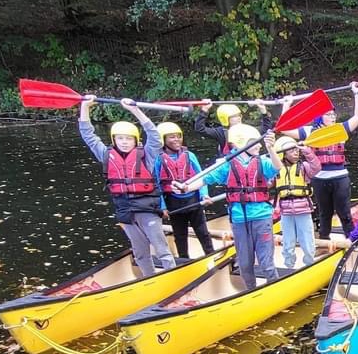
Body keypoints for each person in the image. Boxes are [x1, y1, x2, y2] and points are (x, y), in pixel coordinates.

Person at [175, 124, 282, 290]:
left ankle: (274, 289)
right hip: (239, 219)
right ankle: (251, 291)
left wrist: (271, 148)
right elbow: (205, 180)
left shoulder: (263, 161)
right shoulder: (226, 165)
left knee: (266, 262)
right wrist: (186, 188)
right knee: (245, 264)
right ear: (240, 144)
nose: (259, 146)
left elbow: (277, 167)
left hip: (262, 217)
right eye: (254, 142)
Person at [79, 97, 175, 276]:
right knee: (140, 253)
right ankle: (149, 279)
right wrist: (85, 107)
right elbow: (88, 136)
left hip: (147, 210)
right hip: (125, 211)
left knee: (161, 249)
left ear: (135, 140)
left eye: (128, 139)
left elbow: (154, 136)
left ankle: (171, 276)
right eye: (120, 138)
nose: (124, 142)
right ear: (114, 140)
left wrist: (135, 110)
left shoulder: (147, 155)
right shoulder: (106, 155)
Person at [280, 85, 358, 241]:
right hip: (320, 178)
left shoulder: (340, 129)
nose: (332, 117)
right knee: (324, 214)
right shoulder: (309, 132)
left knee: (344, 213)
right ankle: (324, 240)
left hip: (340, 178)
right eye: (328, 114)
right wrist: (287, 104)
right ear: (320, 117)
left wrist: (357, 93)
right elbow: (284, 128)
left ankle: (352, 239)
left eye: (333, 114)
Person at [154, 122, 216, 259]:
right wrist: (162, 207)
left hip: (193, 201)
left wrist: (204, 195)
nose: (176, 140)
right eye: (172, 137)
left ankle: (211, 255)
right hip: (173, 203)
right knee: (180, 235)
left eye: (178, 136)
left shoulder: (189, 155)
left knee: (202, 232)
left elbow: (202, 177)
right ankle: (184, 260)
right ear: (163, 140)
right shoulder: (158, 160)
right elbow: (157, 185)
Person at [272, 135, 321, 268]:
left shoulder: (304, 166)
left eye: (296, 150)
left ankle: (309, 264)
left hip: (303, 210)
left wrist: (307, 151)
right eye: (291, 150)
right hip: (285, 212)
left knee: (307, 241)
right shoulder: (276, 169)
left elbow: (316, 167)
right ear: (282, 154)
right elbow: (267, 181)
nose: (296, 152)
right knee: (288, 242)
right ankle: (289, 265)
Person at [195, 100, 273, 157]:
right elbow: (200, 129)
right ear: (225, 119)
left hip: (248, 163)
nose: (238, 118)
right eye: (234, 116)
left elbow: (266, 129)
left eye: (239, 115)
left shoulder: (247, 129)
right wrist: (204, 110)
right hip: (230, 165)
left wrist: (263, 111)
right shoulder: (220, 132)